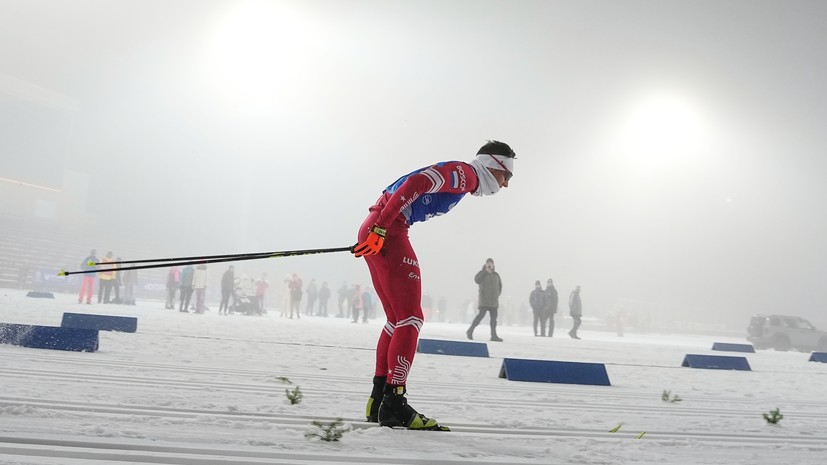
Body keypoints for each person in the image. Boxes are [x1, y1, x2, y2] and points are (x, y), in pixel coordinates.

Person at [352, 140, 515, 430]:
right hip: (389, 228)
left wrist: (376, 225)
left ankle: (379, 398)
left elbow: (408, 186)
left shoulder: (467, 178)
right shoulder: (467, 174)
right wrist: (381, 227)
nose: (505, 186)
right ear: (494, 166)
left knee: (396, 320)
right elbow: (417, 182)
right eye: (507, 176)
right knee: (411, 319)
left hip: (382, 223)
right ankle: (394, 402)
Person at [467, 258, 504, 342]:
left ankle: (494, 335)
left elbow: (500, 285)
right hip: (484, 300)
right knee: (480, 316)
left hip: (494, 301)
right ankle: (470, 330)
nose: (490, 265)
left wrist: (498, 294)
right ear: (486, 264)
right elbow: (477, 280)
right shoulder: (482, 273)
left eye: (491, 263)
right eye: (488, 263)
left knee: (494, 319)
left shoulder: (496, 275)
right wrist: (485, 272)